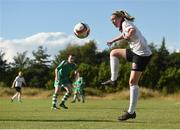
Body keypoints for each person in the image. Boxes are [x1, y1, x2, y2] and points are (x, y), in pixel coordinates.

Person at [101, 10, 152, 121]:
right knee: (113, 53)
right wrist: (113, 40)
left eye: (114, 19)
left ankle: (131, 112)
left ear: (120, 18)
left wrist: (128, 36)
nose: (113, 22)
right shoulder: (124, 24)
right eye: (111, 20)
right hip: (135, 51)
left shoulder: (125, 23)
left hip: (142, 54)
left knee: (132, 82)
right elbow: (124, 33)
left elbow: (131, 31)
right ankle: (113, 79)